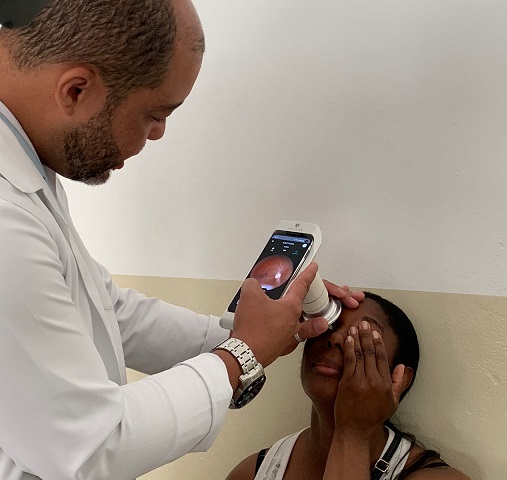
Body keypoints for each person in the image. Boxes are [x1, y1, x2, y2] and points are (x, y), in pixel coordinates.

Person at [0, 1, 363, 479]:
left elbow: (104, 310)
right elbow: (88, 448)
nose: (158, 135)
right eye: (155, 114)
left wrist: (255, 331)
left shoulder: (26, 168)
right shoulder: (6, 216)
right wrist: (241, 354)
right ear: (76, 89)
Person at [227, 292, 471, 480]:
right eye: (330, 324)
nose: (334, 338)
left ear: (398, 379)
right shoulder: (252, 472)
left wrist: (353, 434)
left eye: (361, 335)